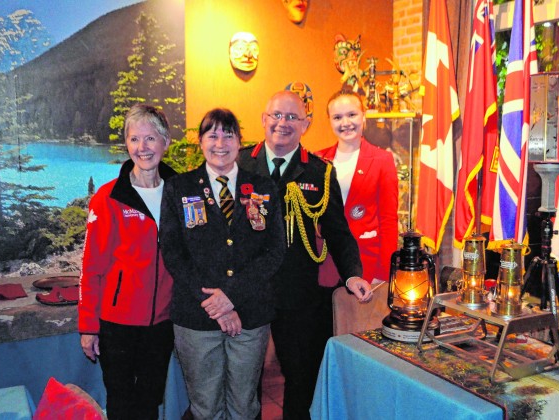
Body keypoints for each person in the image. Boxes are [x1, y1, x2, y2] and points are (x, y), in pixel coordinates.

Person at [238, 91, 373, 419]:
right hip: (247, 293)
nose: (282, 124)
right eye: (276, 116)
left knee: (302, 380)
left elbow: (338, 232)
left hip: (299, 293)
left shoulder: (319, 172)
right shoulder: (239, 163)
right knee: (245, 384)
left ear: (306, 125)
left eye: (292, 118)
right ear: (264, 119)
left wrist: (353, 273)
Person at [160, 108, 285, 419]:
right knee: (206, 407)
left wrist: (231, 297)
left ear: (239, 142)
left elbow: (275, 251)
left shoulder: (263, 188)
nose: (220, 142)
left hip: (249, 314)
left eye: (228, 135)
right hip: (197, 317)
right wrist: (213, 303)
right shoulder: (179, 187)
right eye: (212, 135)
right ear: (201, 141)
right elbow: (173, 252)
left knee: (244, 405)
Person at [78, 104, 176, 419]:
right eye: (134, 139)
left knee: (149, 402)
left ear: (165, 142)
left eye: (150, 139)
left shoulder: (182, 194)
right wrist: (88, 327)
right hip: (117, 325)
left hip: (161, 323)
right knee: (121, 403)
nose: (142, 148)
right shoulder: (108, 199)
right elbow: (91, 270)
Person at [317, 89, 399, 285]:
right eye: (337, 117)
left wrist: (383, 273)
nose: (345, 123)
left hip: (366, 266)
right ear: (329, 121)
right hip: (324, 264)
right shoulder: (317, 160)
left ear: (364, 116)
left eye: (352, 114)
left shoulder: (382, 160)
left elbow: (388, 221)